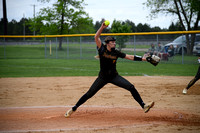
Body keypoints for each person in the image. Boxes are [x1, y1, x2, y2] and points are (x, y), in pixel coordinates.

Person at [64, 21, 155, 118]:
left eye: (114, 42)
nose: (114, 43)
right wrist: (102, 27)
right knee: (89, 93)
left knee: (131, 87)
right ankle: (74, 108)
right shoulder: (102, 48)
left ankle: (143, 105)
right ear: (107, 43)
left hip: (114, 77)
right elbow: (96, 37)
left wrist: (145, 59)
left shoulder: (116, 52)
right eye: (112, 42)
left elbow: (130, 57)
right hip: (102, 77)